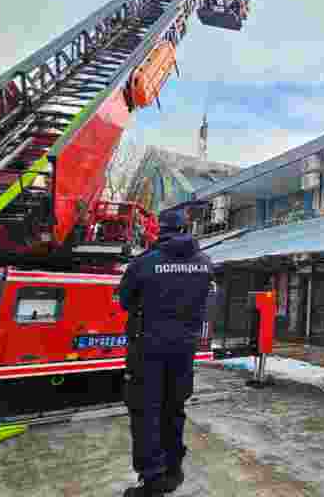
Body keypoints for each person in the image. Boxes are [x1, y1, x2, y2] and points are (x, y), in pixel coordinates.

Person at [118, 209, 214, 496]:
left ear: (161, 230)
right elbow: (206, 300)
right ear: (186, 228)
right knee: (174, 408)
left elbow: (125, 301)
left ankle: (153, 478)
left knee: (146, 411)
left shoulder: (144, 263)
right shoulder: (205, 264)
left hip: (148, 348)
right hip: (185, 349)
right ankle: (174, 469)